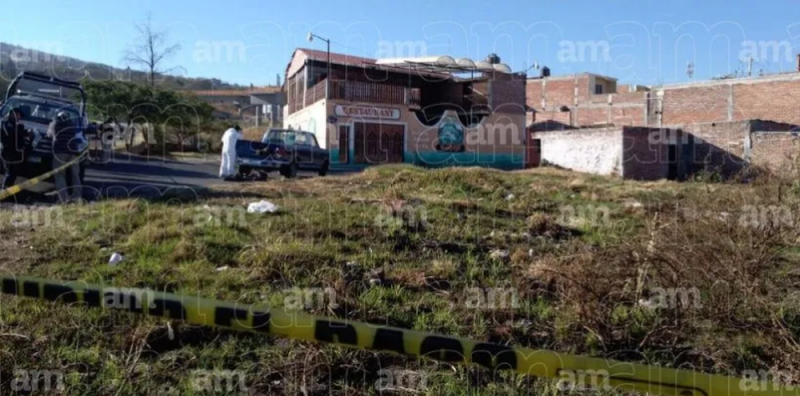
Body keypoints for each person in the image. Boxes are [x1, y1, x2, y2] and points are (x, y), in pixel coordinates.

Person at [48, 111, 83, 202]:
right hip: (74, 152)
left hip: (60, 152)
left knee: (59, 174)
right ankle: (77, 196)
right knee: (75, 175)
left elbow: (49, 134)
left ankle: (64, 198)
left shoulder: (54, 123)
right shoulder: (72, 125)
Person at [1, 107, 30, 190]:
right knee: (10, 173)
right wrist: (22, 131)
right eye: (17, 115)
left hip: (15, 153)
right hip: (8, 152)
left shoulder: (15, 125)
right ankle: (4, 192)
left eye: (19, 116)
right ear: (12, 114)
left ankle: (7, 191)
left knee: (13, 173)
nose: (19, 118)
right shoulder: (6, 124)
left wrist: (26, 134)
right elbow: (11, 134)